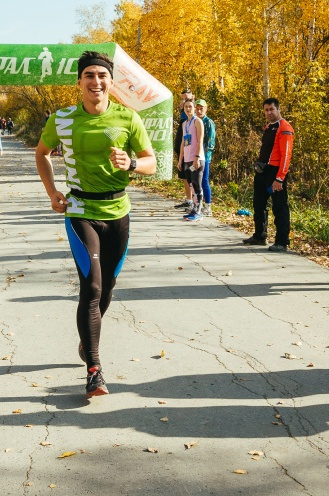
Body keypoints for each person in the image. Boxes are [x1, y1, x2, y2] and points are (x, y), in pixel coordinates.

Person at [35, 50, 156, 398]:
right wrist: (52, 191)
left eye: (101, 76)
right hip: (79, 209)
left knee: (108, 288)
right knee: (91, 286)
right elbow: (41, 152)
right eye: (89, 75)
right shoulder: (61, 120)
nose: (96, 82)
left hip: (118, 211)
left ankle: (86, 341)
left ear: (111, 82)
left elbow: (152, 162)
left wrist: (131, 163)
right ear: (79, 83)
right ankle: (94, 369)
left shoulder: (128, 118)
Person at [243, 98, 294, 252]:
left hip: (275, 172)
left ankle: (282, 241)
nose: (269, 112)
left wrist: (280, 178)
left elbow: (286, 155)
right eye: (266, 110)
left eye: (272, 109)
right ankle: (260, 235)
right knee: (258, 204)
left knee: (279, 207)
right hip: (263, 171)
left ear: (278, 109)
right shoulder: (268, 127)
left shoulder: (284, 127)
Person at [177, 99, 205, 221]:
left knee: (197, 184)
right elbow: (183, 142)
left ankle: (199, 210)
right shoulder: (184, 124)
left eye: (190, 107)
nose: (188, 109)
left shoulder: (197, 122)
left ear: (194, 108)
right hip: (187, 159)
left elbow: (200, 140)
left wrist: (197, 157)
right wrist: (180, 159)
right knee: (190, 184)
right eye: (186, 107)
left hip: (196, 159)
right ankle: (194, 208)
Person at [174, 89, 194, 209]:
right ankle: (189, 200)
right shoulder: (184, 120)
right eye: (182, 99)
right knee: (184, 175)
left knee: (192, 176)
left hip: (192, 154)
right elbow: (182, 139)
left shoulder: (195, 120)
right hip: (182, 151)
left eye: (186, 100)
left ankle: (197, 203)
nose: (184, 103)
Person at [195, 99, 216, 216]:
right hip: (195, 155)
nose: (199, 111)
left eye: (201, 108)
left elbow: (211, 142)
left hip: (205, 156)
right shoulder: (195, 121)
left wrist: (203, 155)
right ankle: (198, 204)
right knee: (195, 181)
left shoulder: (209, 122)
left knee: (204, 180)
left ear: (206, 109)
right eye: (197, 108)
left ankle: (208, 207)